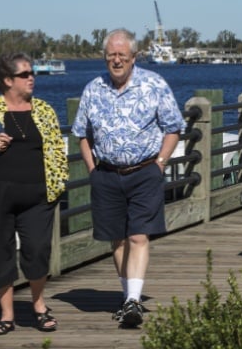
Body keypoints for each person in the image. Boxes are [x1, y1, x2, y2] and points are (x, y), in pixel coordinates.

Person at [72, 29, 184, 328]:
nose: (117, 60)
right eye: (111, 55)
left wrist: (160, 163)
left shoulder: (154, 84)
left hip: (145, 171)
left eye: (122, 55)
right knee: (118, 240)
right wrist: (92, 170)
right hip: (106, 174)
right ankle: (128, 298)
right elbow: (81, 133)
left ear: (134, 57)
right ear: (105, 58)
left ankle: (134, 299)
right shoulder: (93, 89)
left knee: (138, 235)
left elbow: (173, 127)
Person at [0, 53, 68, 336]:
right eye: (25, 74)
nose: (32, 78)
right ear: (8, 80)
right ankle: (6, 316)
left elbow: (57, 149)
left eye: (32, 73)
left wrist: (57, 185)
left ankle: (39, 306)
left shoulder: (44, 110)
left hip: (38, 197)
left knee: (38, 251)